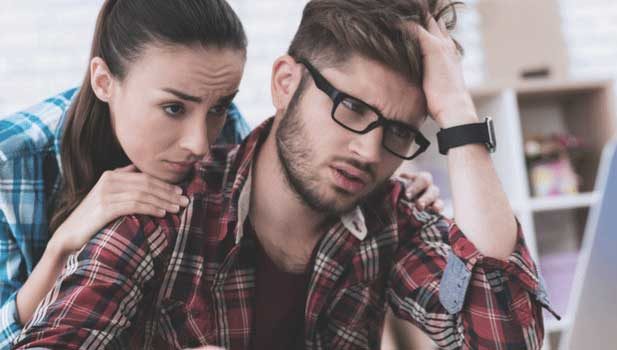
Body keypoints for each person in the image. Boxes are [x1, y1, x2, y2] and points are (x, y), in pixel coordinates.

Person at [14, 0, 556, 349]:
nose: (368, 151)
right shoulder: (158, 214)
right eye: (351, 108)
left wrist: (458, 117)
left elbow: (507, 340)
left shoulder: (392, 220)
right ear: (284, 82)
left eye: (397, 132)